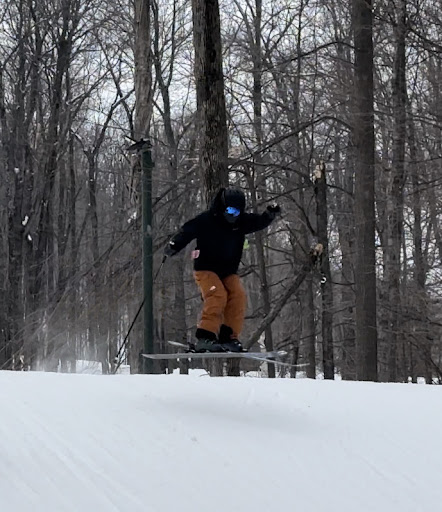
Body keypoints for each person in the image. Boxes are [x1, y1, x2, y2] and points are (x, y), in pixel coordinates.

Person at [164, 187, 281, 353]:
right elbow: (187, 230)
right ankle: (206, 336)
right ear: (222, 207)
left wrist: (269, 215)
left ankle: (228, 337)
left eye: (238, 212)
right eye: (230, 210)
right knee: (217, 295)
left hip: (227, 271)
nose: (234, 215)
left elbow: (258, 222)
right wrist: (174, 245)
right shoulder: (207, 220)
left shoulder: (241, 222)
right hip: (206, 269)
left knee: (238, 295)